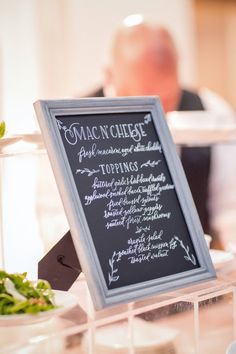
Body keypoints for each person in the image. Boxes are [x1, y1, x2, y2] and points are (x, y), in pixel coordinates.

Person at [86, 17, 236, 250]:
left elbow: (231, 209)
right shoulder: (72, 123)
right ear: (109, 76)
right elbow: (55, 222)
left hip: (196, 276)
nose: (158, 115)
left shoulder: (212, 111)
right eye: (143, 103)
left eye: (167, 101)